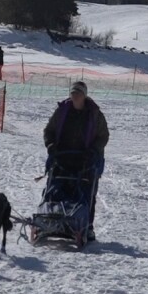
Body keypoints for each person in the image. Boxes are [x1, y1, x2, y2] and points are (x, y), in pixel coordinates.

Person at [42, 81, 110, 238]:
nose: (75, 96)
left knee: (86, 191)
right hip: (62, 157)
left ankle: (87, 226)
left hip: (86, 160)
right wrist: (50, 145)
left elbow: (103, 136)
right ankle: (53, 218)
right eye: (73, 93)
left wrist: (94, 151)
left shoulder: (94, 114)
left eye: (78, 93)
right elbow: (49, 130)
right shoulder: (62, 111)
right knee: (57, 188)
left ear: (84, 96)